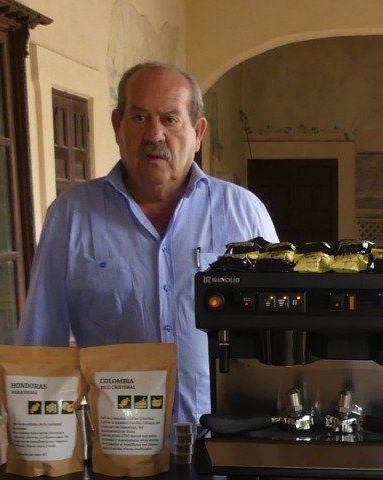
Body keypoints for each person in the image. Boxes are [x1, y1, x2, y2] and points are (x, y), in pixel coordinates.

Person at [17, 61, 275, 427]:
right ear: (116, 125)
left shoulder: (243, 213)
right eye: (139, 118)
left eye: (170, 119)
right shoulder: (71, 216)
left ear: (198, 132)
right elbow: (41, 345)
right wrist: (42, 448)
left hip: (228, 441)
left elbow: (277, 332)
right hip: (120, 448)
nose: (154, 135)